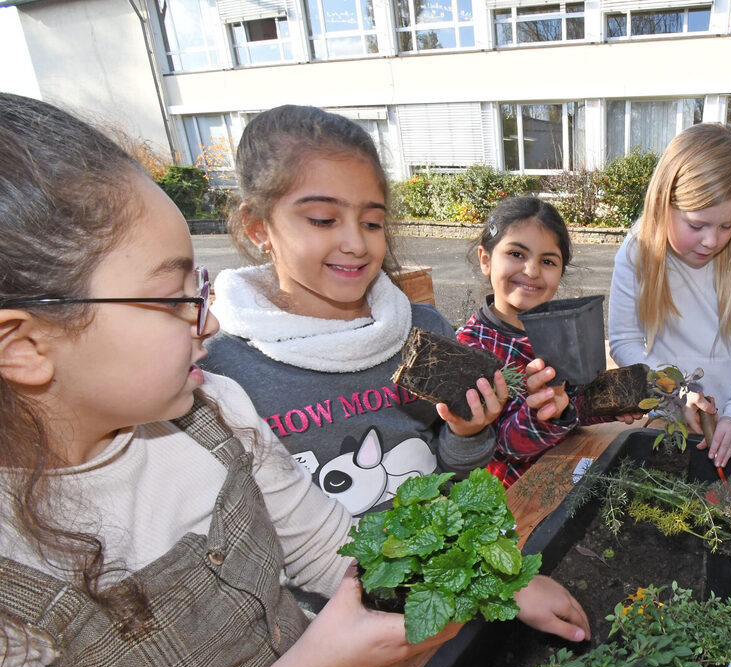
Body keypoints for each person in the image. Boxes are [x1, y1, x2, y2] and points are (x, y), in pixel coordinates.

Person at [0, 93, 589, 667]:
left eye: (198, 290)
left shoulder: (214, 411)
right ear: (23, 345)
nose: (206, 319)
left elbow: (330, 547)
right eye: (172, 296)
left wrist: (494, 583)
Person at [203, 105, 508, 517]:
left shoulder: (424, 331)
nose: (356, 244)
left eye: (371, 223)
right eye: (323, 219)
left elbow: (453, 472)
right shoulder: (222, 369)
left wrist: (467, 431)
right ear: (259, 227)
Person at [608, 122, 731, 468]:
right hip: (667, 418)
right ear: (662, 204)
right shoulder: (636, 252)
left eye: (727, 225)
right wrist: (677, 389)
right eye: (696, 225)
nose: (712, 241)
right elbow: (622, 341)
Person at [456, 197, 617, 487]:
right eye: (516, 254)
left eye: (547, 261)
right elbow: (505, 446)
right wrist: (545, 414)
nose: (531, 271)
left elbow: (575, 405)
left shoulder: (561, 329)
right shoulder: (470, 348)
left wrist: (615, 403)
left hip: (565, 474)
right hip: (516, 500)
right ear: (485, 260)